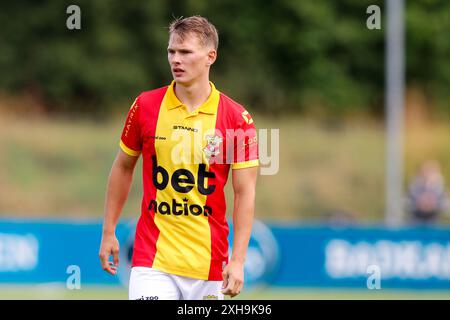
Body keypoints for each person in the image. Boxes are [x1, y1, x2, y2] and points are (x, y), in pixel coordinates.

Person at [99, 16, 259, 300]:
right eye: (172, 51)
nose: (176, 59)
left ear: (211, 56)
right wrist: (109, 230)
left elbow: (244, 191)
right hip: (152, 260)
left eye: (185, 52)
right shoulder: (145, 105)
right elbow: (123, 167)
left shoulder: (236, 118)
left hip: (209, 264)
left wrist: (238, 260)